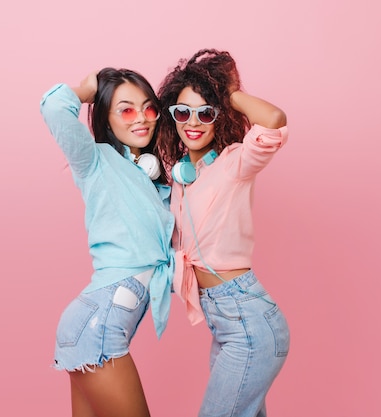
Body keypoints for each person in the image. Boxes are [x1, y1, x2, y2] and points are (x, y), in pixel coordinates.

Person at [156, 49, 290, 417]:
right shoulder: (182, 177)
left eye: (206, 112)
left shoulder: (235, 163)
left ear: (220, 116)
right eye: (182, 112)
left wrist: (227, 94)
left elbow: (274, 121)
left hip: (248, 321)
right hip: (226, 326)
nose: (193, 122)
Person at [40, 68, 175, 417]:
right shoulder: (94, 159)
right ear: (106, 117)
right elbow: (55, 107)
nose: (141, 119)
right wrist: (89, 88)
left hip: (94, 324)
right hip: (98, 325)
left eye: (149, 108)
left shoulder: (154, 183)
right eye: (126, 110)